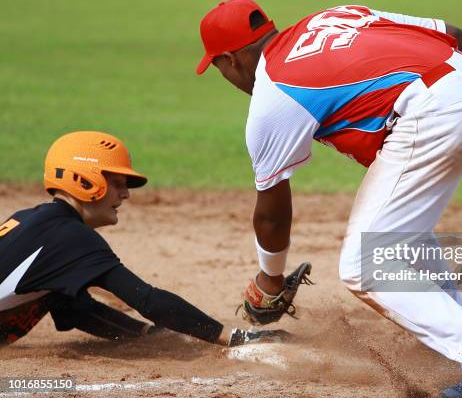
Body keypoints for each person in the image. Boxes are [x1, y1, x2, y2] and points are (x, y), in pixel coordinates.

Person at [194, 0, 462, 398]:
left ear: (230, 60)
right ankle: (448, 340)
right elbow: (454, 35)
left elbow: (272, 215)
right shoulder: (332, 17)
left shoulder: (272, 99)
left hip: (434, 112)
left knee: (362, 264)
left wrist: (270, 278)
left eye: (217, 68)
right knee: (404, 235)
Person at [0, 131, 283, 348]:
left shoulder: (32, 222)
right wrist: (233, 338)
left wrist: (146, 334)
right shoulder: (72, 237)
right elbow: (150, 301)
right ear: (84, 181)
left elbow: (75, 309)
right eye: (118, 184)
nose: (126, 195)